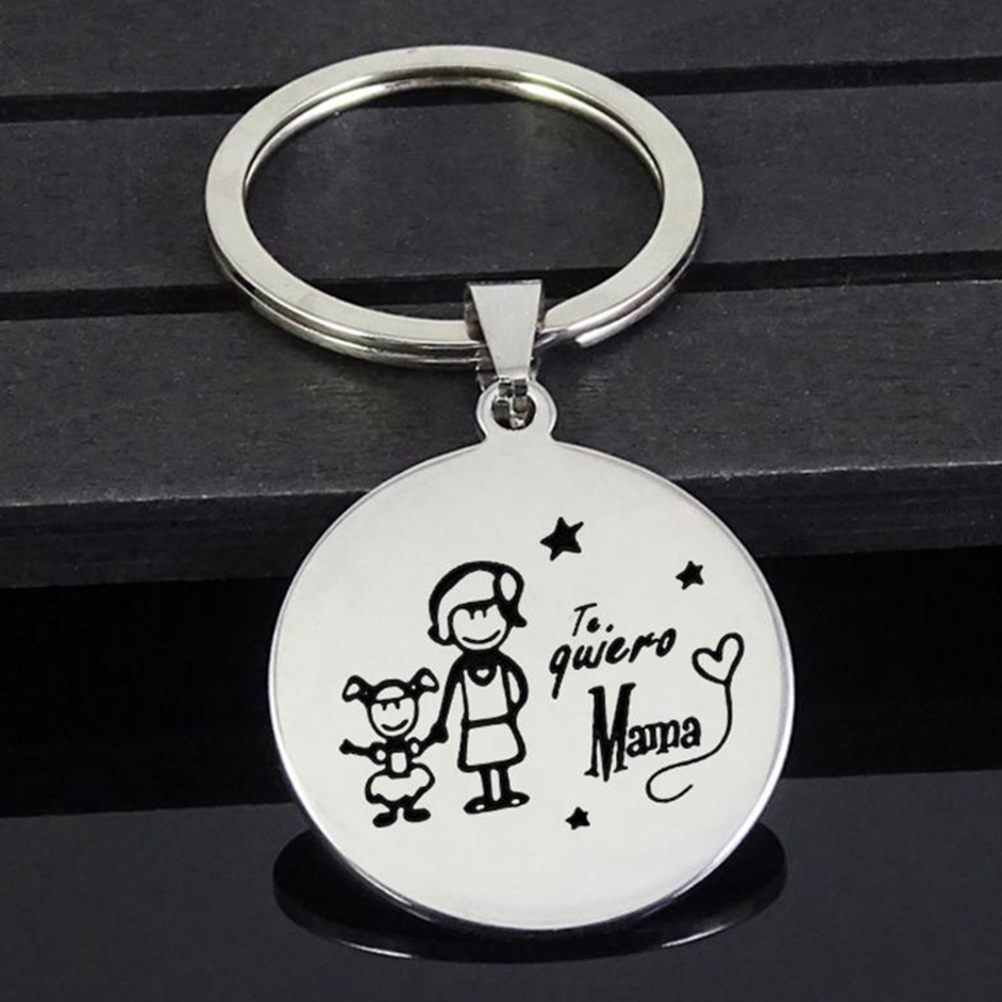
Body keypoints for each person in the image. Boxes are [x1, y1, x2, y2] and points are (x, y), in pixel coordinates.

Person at [426, 561, 530, 814]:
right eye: (470, 615)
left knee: (502, 758)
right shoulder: (460, 667)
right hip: (476, 724)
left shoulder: (502, 662)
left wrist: (514, 709)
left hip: (500, 719)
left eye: (488, 612)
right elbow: (449, 696)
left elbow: (520, 687)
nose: (480, 622)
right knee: (484, 761)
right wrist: (441, 723)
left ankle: (504, 793)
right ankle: (489, 797)